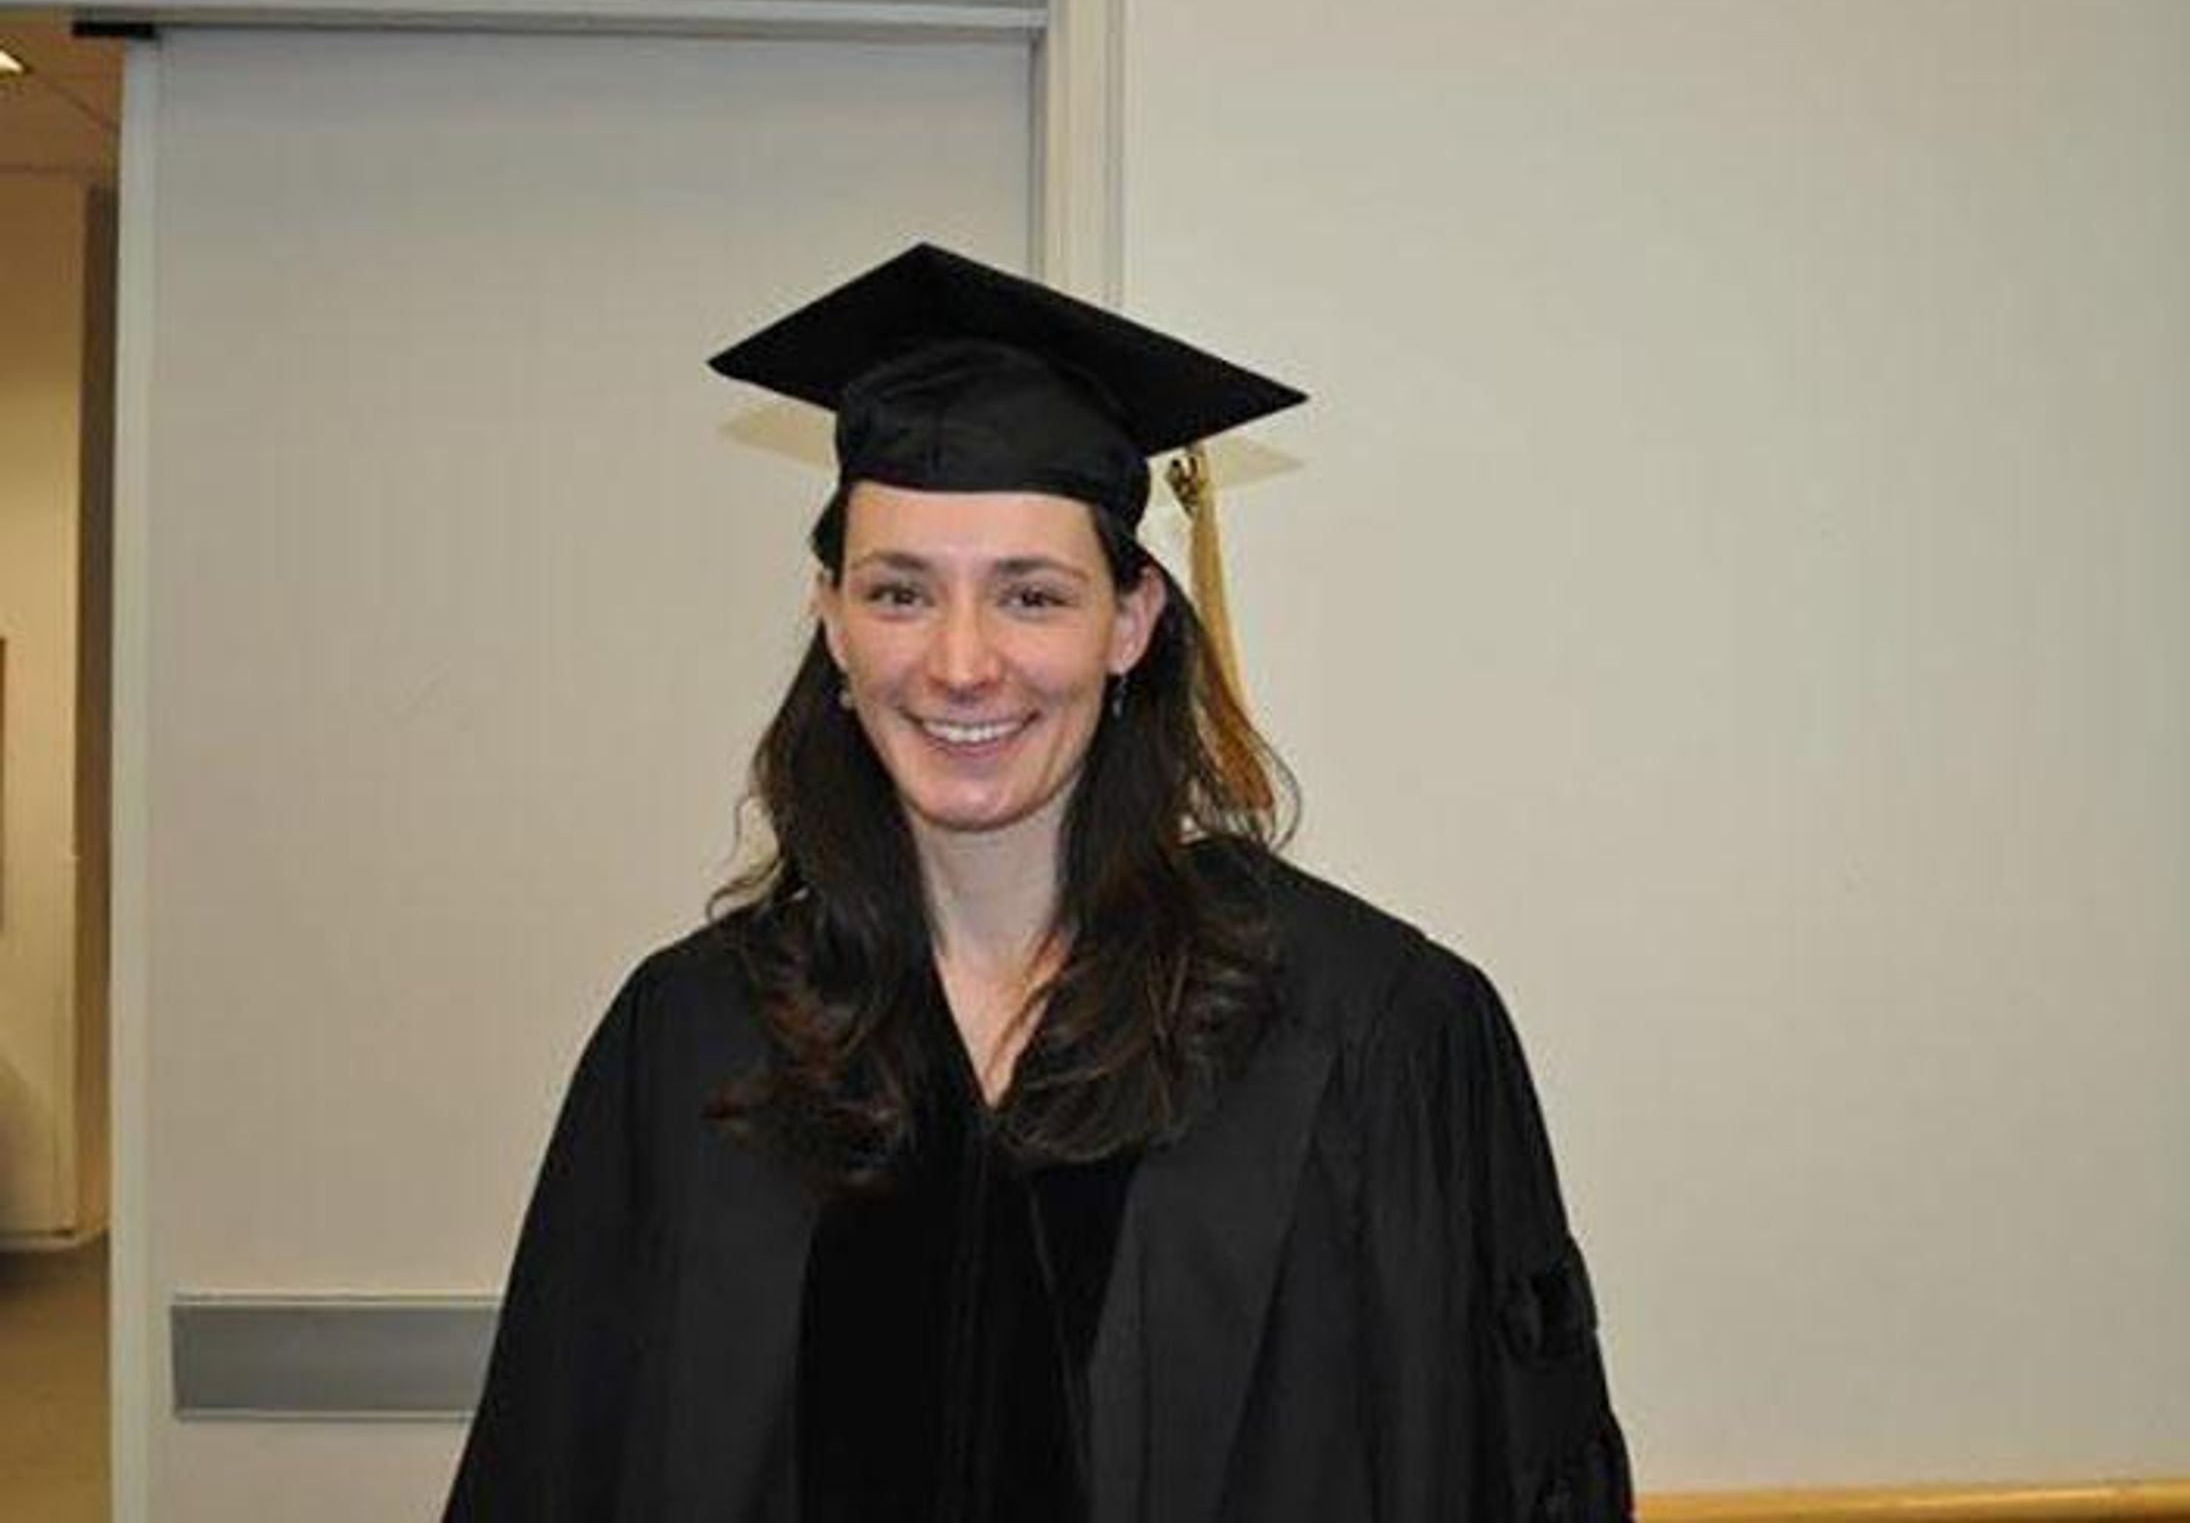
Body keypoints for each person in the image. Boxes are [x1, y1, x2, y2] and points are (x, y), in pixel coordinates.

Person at [443, 242, 1634, 1522]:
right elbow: (555, 1467)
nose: (962, 664)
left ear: (1130, 623)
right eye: (900, 592)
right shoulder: (687, 1044)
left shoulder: (1374, 1035)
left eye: (1031, 595)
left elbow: (1501, 1473)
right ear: (832, 623)